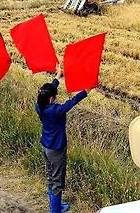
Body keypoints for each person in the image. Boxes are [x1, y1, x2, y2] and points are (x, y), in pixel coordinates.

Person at [36, 68, 89, 213]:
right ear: (52, 99)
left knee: (50, 176)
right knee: (58, 181)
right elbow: (71, 102)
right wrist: (85, 91)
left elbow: (49, 91)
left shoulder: (39, 106)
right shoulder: (55, 110)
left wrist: (58, 76)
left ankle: (54, 204)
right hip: (56, 149)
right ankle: (56, 209)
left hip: (46, 146)